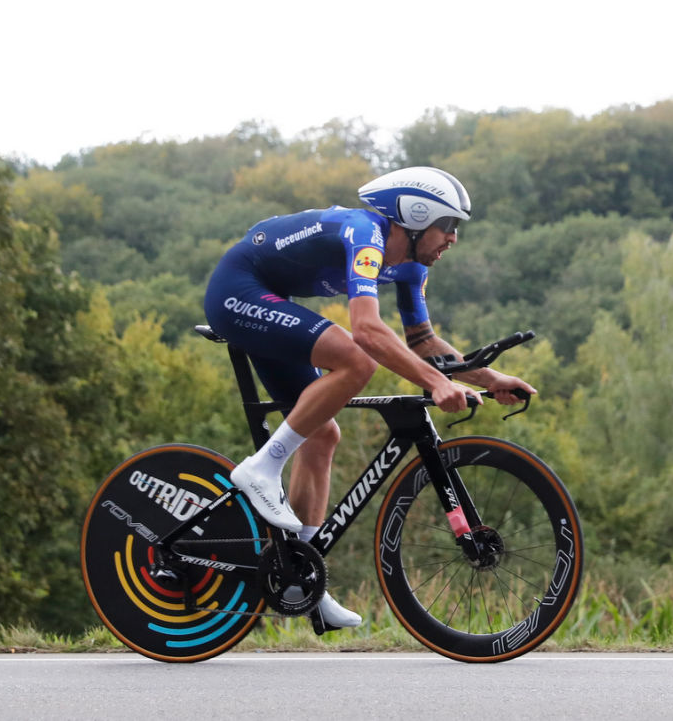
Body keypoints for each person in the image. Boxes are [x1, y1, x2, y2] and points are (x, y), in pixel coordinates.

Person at [202, 166, 537, 629]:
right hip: (238, 290)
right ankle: (261, 467)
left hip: (271, 300)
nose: (453, 239)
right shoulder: (366, 233)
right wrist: (438, 384)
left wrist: (486, 378)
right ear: (418, 218)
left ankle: (302, 579)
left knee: (322, 436)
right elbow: (366, 330)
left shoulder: (411, 266)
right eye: (449, 226)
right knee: (358, 360)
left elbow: (422, 342)